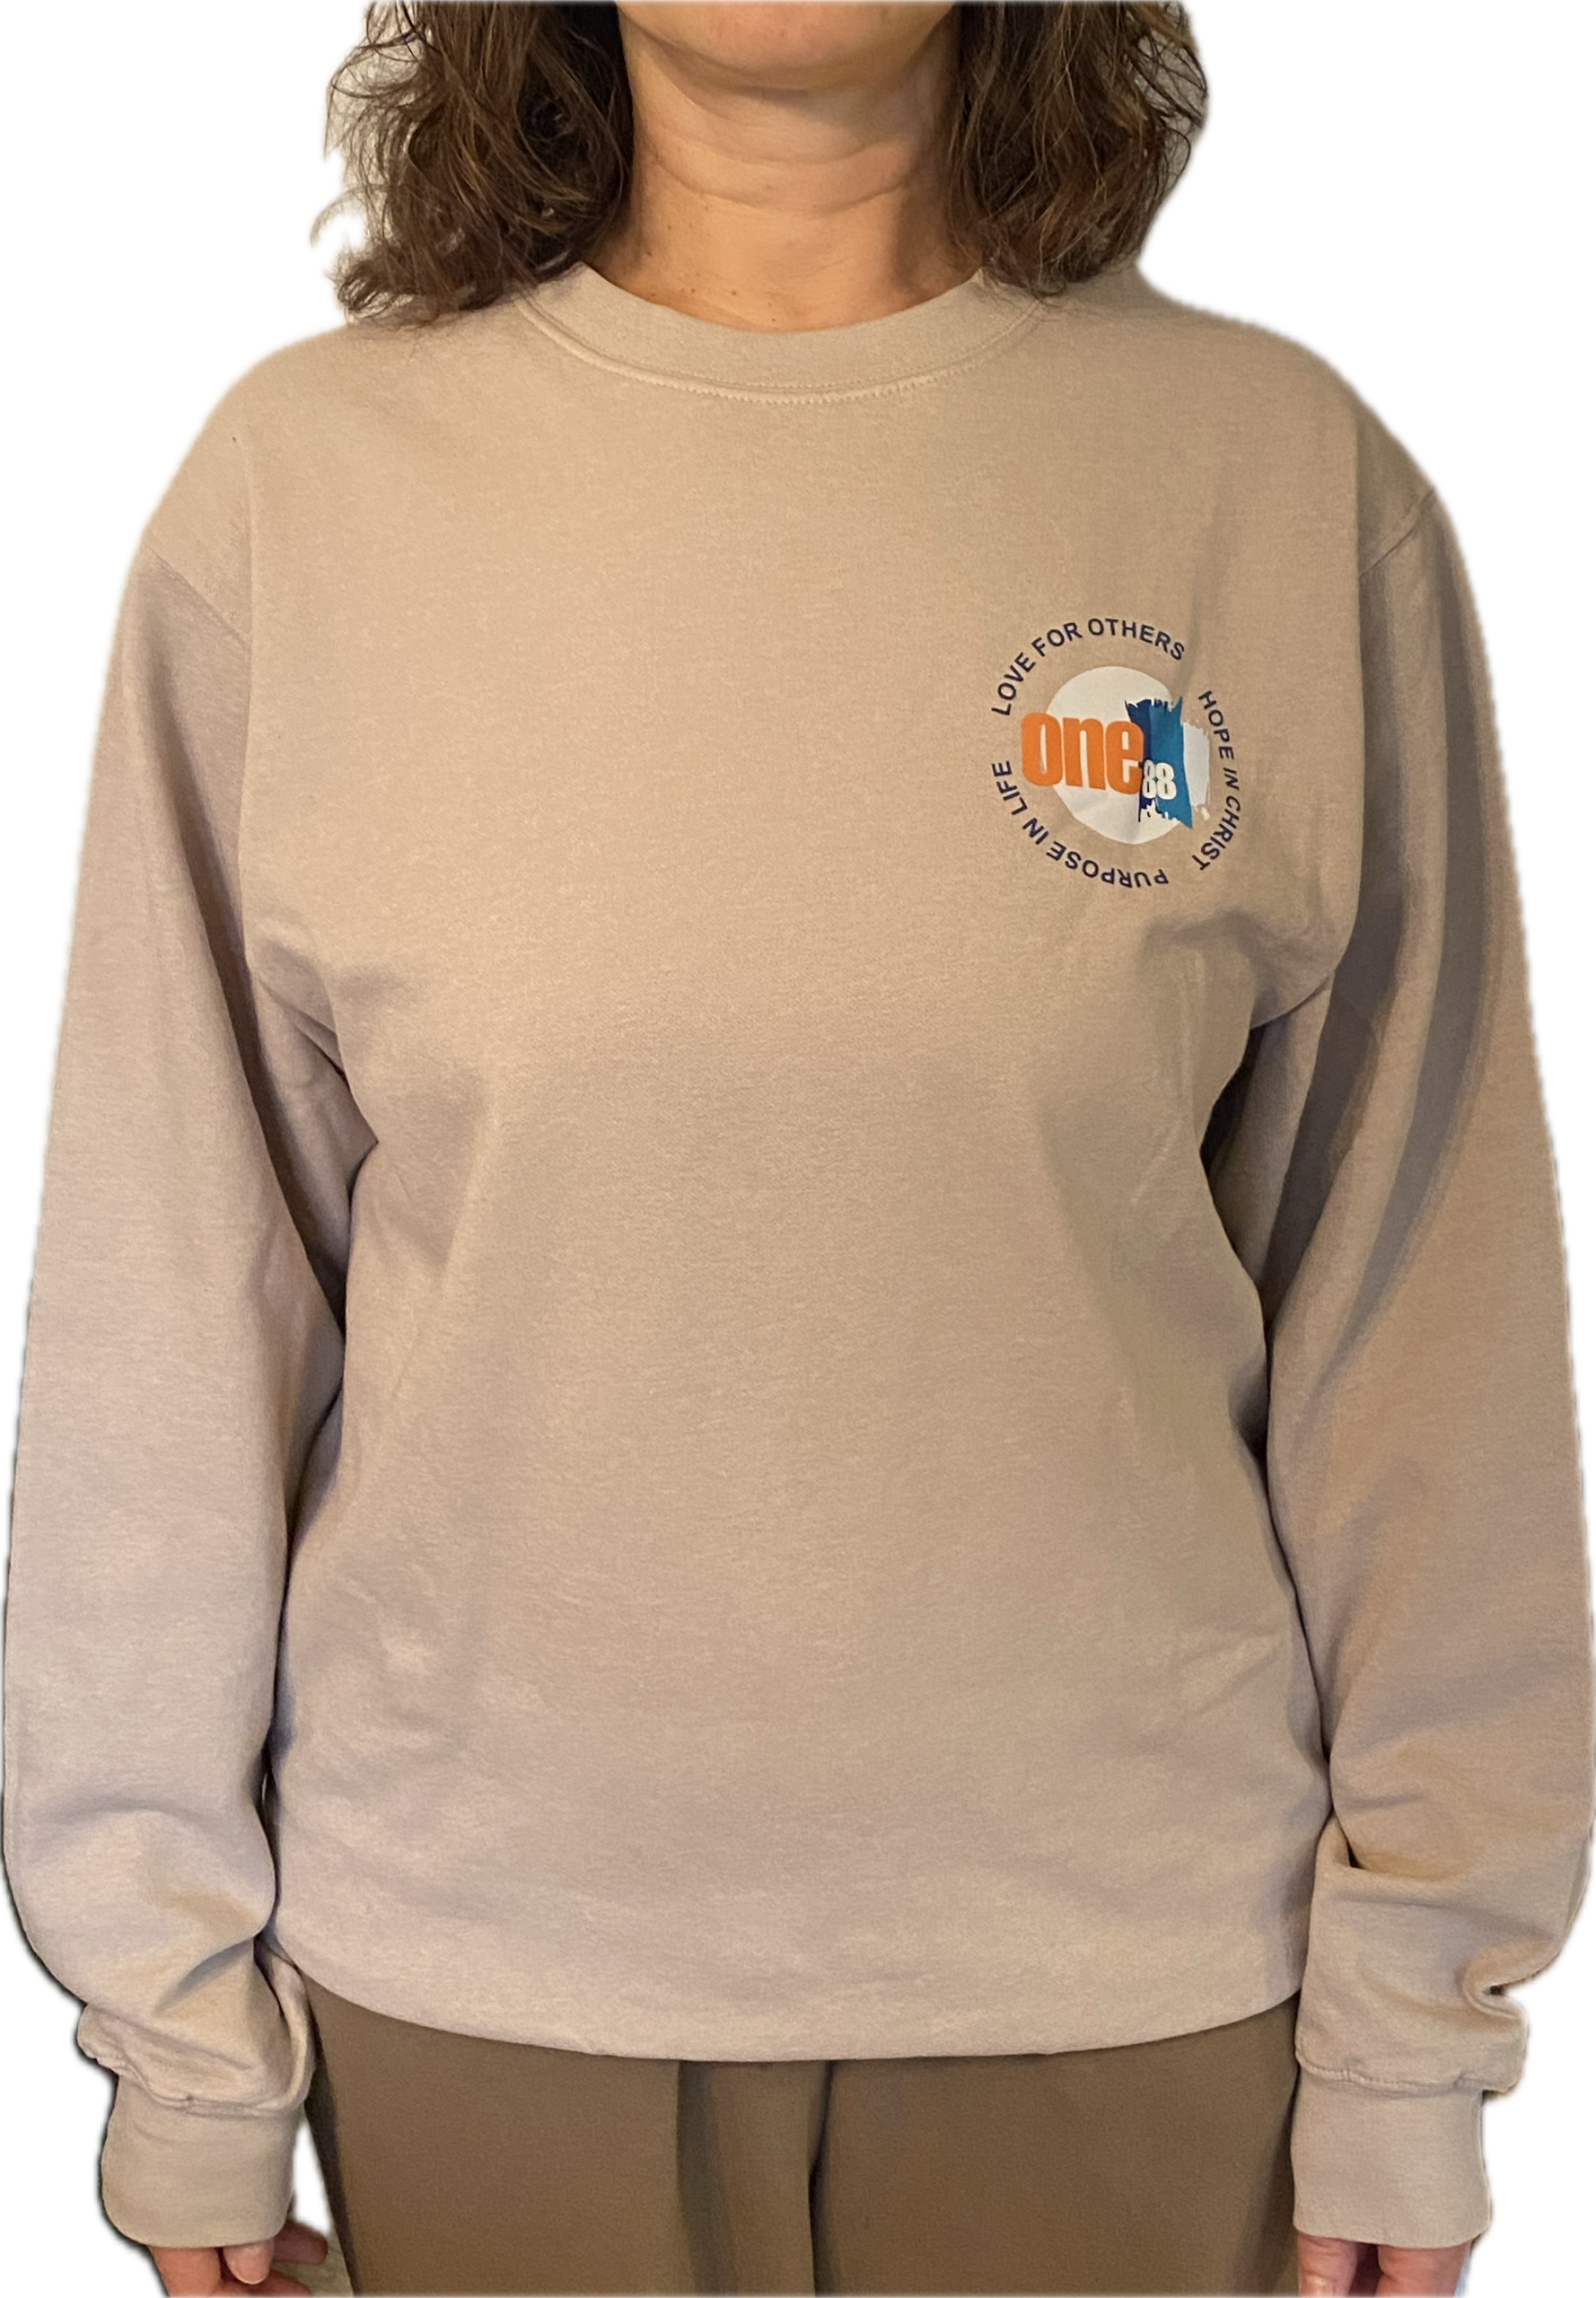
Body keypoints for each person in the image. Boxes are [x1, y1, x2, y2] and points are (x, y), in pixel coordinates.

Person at [3, 3, 1592, 2295]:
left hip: (1135, 2003)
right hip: (468, 2009)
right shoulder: (297, 489)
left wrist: (1414, 2025)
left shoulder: (1278, 473)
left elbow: (1424, 1306)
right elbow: (170, 1296)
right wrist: (179, 2032)